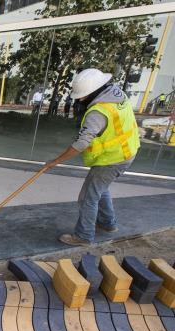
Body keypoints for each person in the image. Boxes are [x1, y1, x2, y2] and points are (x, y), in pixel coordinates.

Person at [45, 68, 140, 246]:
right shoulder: (117, 94)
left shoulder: (98, 112)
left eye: (83, 95)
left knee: (88, 197)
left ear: (95, 91)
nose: (80, 99)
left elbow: (81, 144)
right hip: (127, 152)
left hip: (112, 159)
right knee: (100, 189)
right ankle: (107, 224)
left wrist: (55, 161)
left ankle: (83, 236)